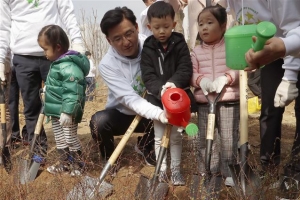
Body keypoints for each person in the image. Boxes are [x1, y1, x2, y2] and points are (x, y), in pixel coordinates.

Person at [218, 0, 300, 197]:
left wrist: (290, 76)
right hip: (273, 50)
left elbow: (294, 29)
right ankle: (268, 167)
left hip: (291, 40)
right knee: (269, 110)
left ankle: (295, 173)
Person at [0, 0, 85, 167]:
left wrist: (77, 40)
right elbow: (3, 27)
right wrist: (2, 58)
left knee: (63, 106)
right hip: (23, 56)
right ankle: (38, 153)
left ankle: (73, 155)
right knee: (31, 108)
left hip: (56, 53)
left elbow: (66, 10)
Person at [89, 7, 168, 167]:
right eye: (117, 38)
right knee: (99, 122)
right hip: (123, 114)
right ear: (109, 40)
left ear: (137, 28)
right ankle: (110, 159)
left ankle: (146, 144)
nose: (126, 42)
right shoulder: (107, 64)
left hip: (151, 114)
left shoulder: (152, 46)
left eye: (129, 33)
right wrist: (160, 114)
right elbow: (128, 98)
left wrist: (162, 113)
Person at [141, 1, 196, 186]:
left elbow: (185, 68)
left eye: (166, 26)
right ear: (149, 27)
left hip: (178, 98)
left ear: (173, 24)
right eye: (157, 27)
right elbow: (147, 75)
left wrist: (173, 84)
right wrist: (160, 89)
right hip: (157, 99)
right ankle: (162, 170)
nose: (162, 31)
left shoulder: (180, 44)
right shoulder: (148, 48)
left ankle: (176, 171)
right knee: (158, 136)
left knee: (175, 136)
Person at [190, 5, 239, 187]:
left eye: (210, 23)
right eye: (201, 24)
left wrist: (226, 78)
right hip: (205, 102)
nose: (204, 27)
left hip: (229, 100)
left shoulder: (230, 47)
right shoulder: (196, 52)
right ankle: (207, 171)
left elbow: (240, 70)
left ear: (223, 25)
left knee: (228, 138)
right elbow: (190, 73)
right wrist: (200, 80)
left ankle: (228, 172)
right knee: (205, 138)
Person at [38, 25, 89, 176]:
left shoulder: (68, 66)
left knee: (70, 137)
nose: (44, 53)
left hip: (67, 113)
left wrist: (68, 112)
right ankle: (65, 164)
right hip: (56, 112)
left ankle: (79, 165)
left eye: (46, 49)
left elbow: (73, 91)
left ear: (58, 47)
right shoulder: (58, 64)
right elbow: (59, 86)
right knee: (60, 139)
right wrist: (48, 90)